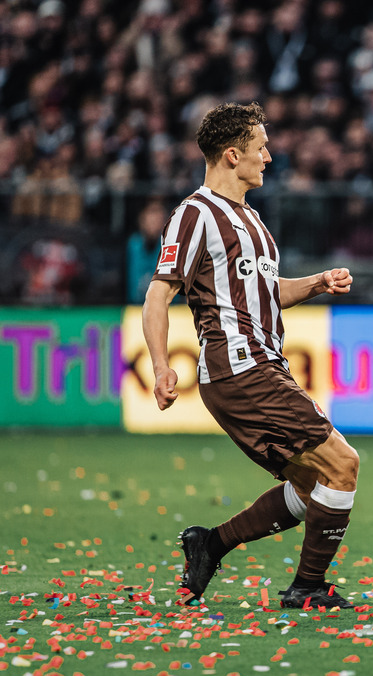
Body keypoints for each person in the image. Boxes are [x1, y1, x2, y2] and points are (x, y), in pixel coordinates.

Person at [142, 102, 360, 610]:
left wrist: (317, 283)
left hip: (263, 367)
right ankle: (307, 587)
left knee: (313, 487)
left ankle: (210, 544)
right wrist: (159, 365)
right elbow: (159, 292)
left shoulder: (252, 221)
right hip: (241, 370)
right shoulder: (195, 214)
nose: (269, 155)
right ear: (233, 154)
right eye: (261, 147)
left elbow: (264, 292)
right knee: (343, 465)